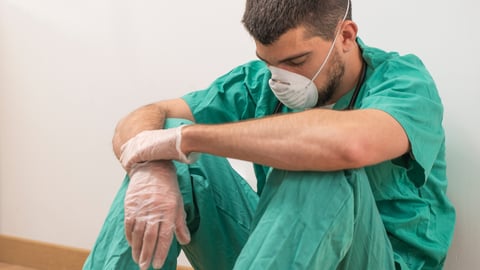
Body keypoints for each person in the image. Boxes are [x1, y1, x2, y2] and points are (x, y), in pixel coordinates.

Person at [83, 0, 455, 269]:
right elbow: (147, 116)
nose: (280, 78)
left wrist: (191, 140)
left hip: (373, 260)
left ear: (345, 35)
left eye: (295, 62)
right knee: (165, 145)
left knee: (319, 160)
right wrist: (150, 169)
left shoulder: (405, 83)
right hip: (282, 253)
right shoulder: (260, 82)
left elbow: (348, 145)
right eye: (269, 63)